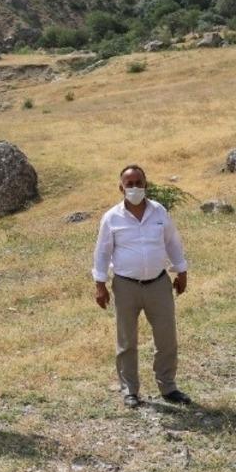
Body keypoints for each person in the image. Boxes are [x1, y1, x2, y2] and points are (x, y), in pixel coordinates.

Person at [92, 164, 192, 408]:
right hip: (126, 286)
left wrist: (181, 271)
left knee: (166, 338)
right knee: (127, 341)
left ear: (146, 185)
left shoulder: (159, 212)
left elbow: (173, 243)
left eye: (139, 182)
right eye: (129, 183)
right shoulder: (111, 217)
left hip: (159, 283)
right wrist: (100, 284)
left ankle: (168, 387)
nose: (135, 187)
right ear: (121, 187)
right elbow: (102, 253)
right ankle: (130, 391)